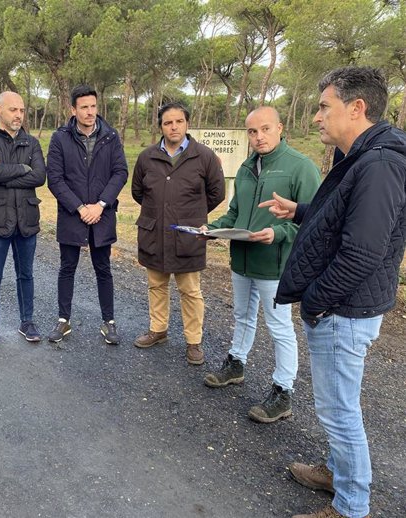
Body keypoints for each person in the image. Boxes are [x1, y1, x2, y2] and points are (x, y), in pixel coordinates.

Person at [260, 67, 406, 518]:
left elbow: (362, 252)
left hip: (343, 312)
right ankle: (337, 472)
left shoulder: (379, 164)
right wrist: (301, 210)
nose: (317, 117)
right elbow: (344, 220)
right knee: (334, 408)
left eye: (325, 106)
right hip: (341, 308)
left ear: (356, 108)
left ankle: (350, 506)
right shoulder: (364, 157)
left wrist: (317, 302)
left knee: (340, 412)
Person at [202, 106, 320, 422]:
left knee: (280, 328)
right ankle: (235, 364)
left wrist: (277, 233)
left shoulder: (301, 167)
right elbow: (234, 214)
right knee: (242, 316)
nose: (259, 137)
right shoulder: (245, 167)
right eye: (252, 132)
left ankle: (283, 392)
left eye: (265, 129)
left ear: (280, 128)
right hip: (242, 259)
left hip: (275, 265)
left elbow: (314, 221)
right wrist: (211, 230)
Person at [131, 102, 225, 365]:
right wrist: (160, 210)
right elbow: (137, 192)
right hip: (154, 233)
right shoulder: (146, 157)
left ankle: (193, 342)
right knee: (156, 285)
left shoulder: (204, 156)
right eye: (168, 122)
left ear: (187, 123)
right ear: (160, 126)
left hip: (188, 235)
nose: (174, 127)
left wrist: (190, 213)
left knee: (190, 291)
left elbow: (217, 193)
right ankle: (158, 330)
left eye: (179, 121)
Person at [46, 85, 128, 345]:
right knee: (67, 268)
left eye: (93, 106)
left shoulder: (111, 136)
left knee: (103, 269)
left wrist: (101, 205)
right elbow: (55, 179)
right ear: (73, 110)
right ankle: (63, 321)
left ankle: (109, 322)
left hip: (102, 215)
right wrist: (81, 208)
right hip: (73, 215)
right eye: (84, 107)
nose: (90, 112)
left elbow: (120, 172)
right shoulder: (60, 138)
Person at [0, 91, 46, 348]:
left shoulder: (32, 142)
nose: (18, 115)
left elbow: (39, 177)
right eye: (13, 110)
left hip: (26, 219)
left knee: (25, 274)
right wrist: (21, 168)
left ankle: (27, 321)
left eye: (22, 110)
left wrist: (2, 171)